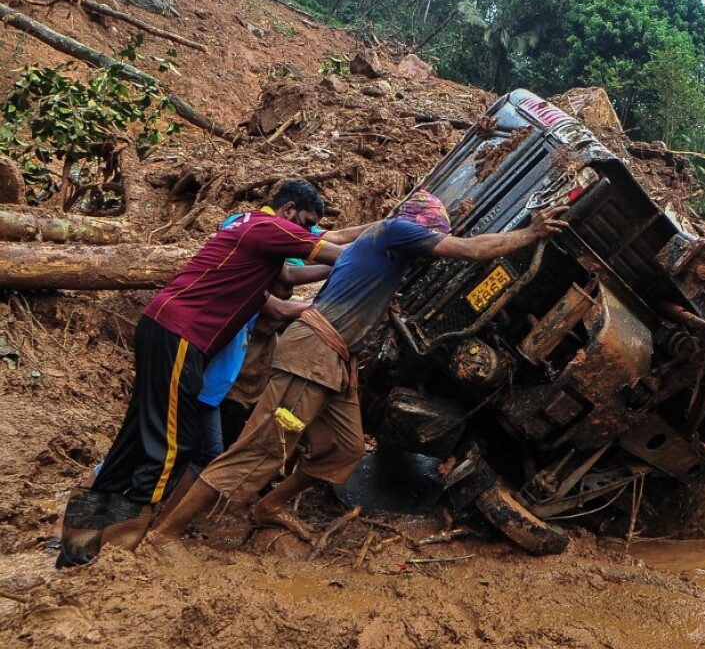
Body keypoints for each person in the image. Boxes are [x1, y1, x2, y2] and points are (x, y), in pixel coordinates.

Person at [151, 191, 568, 545]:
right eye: (430, 236)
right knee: (261, 449)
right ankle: (164, 535)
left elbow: (342, 242)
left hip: (335, 361)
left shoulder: (380, 240)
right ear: (416, 229)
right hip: (312, 354)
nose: (430, 245)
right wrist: (530, 233)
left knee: (345, 449)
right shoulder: (396, 232)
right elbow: (470, 249)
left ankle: (269, 506)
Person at [56, 179, 373, 568]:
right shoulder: (268, 227)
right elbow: (341, 253)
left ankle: (78, 544)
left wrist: (378, 229)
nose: (306, 233)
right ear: (289, 210)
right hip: (182, 333)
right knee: (171, 444)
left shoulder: (250, 233)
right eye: (305, 223)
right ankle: (121, 548)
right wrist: (389, 249)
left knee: (138, 435)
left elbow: (317, 253)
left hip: (164, 325)